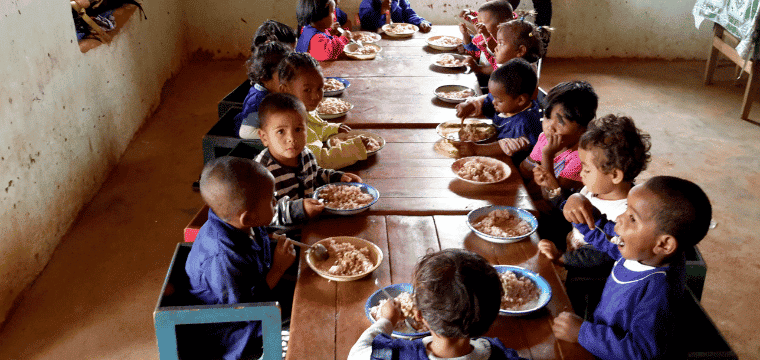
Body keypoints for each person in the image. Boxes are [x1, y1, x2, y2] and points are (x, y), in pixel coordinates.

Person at [549, 176, 712, 359]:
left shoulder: (658, 292)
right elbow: (604, 234)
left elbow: (641, 352)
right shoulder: (646, 252)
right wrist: (580, 208)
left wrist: (583, 333)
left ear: (664, 244)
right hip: (601, 336)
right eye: (626, 210)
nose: (619, 218)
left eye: (632, 218)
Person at [182, 156, 297, 360]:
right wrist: (278, 269)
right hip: (231, 328)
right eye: (271, 199)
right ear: (248, 217)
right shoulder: (222, 258)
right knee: (298, 326)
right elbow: (244, 308)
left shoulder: (241, 223)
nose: (275, 201)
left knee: (303, 293)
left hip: (257, 294)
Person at [348, 249, 526, 360]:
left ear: (419, 316)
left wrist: (386, 320)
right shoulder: (499, 354)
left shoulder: (394, 354)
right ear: (492, 315)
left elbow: (357, 353)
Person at [538, 114, 651, 270]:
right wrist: (554, 190)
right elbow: (570, 209)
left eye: (587, 169)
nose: (581, 173)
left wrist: (560, 257)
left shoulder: (625, 215)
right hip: (568, 251)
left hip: (581, 271)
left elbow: (600, 256)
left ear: (615, 175)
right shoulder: (596, 190)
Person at [254, 93, 362, 226]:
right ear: (264, 137)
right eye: (281, 131)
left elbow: (315, 174)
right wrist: (299, 209)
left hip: (312, 221)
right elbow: (263, 215)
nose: (292, 138)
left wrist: (336, 177)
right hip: (285, 237)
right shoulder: (260, 173)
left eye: (298, 129)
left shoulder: (305, 154)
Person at [519, 81, 598, 247]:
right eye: (547, 117)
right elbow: (524, 171)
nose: (549, 127)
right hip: (531, 201)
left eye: (560, 122)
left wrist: (546, 155)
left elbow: (552, 200)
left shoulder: (580, 159)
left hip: (556, 222)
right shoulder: (544, 138)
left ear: (583, 128)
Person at [277, 52, 369, 169]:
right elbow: (320, 161)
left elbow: (315, 129)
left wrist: (333, 129)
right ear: (284, 90)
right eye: (307, 90)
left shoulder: (301, 110)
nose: (316, 96)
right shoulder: (290, 126)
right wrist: (355, 148)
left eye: (320, 88)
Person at [455, 58, 543, 164]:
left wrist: (476, 149)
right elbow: (488, 99)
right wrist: (470, 105)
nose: (494, 102)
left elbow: (509, 145)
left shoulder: (527, 121)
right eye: (495, 97)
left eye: (499, 100)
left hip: (513, 166)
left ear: (520, 100)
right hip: (494, 145)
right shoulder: (510, 102)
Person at [236, 41, 291, 139]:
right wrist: (280, 133)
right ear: (264, 78)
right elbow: (245, 133)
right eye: (283, 75)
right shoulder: (257, 102)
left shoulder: (272, 89)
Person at [459, 1, 515, 76]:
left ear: (501, 24)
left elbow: (499, 67)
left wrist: (477, 68)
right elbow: (472, 47)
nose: (477, 25)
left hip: (493, 81)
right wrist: (465, 35)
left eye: (482, 23)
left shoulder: (507, 44)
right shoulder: (487, 32)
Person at [359, 0, 432, 33]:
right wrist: (380, 12)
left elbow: (409, 14)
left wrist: (421, 22)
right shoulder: (368, 1)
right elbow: (365, 23)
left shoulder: (399, 1)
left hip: (399, 40)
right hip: (377, 39)